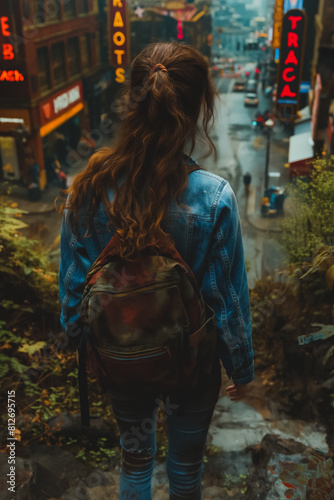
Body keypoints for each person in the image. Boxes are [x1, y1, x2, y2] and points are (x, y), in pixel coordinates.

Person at [59, 42, 254, 500]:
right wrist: (241, 370)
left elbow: (73, 290)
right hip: (192, 365)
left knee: (136, 462)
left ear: (132, 101)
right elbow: (226, 302)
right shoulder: (213, 198)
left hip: (122, 357)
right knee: (185, 469)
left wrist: (80, 344)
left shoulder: (88, 190)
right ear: (198, 108)